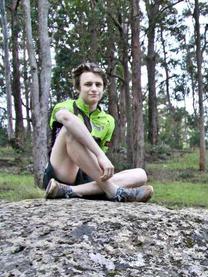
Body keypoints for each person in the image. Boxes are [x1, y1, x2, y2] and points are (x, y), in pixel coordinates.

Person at [44, 62, 153, 202]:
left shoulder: (108, 121)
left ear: (103, 88)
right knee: (70, 131)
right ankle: (113, 191)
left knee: (140, 174)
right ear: (78, 87)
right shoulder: (64, 107)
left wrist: (101, 161)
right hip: (62, 171)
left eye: (98, 84)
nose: (94, 89)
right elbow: (66, 118)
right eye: (88, 84)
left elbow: (100, 165)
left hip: (87, 175)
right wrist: (100, 155)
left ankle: (69, 191)